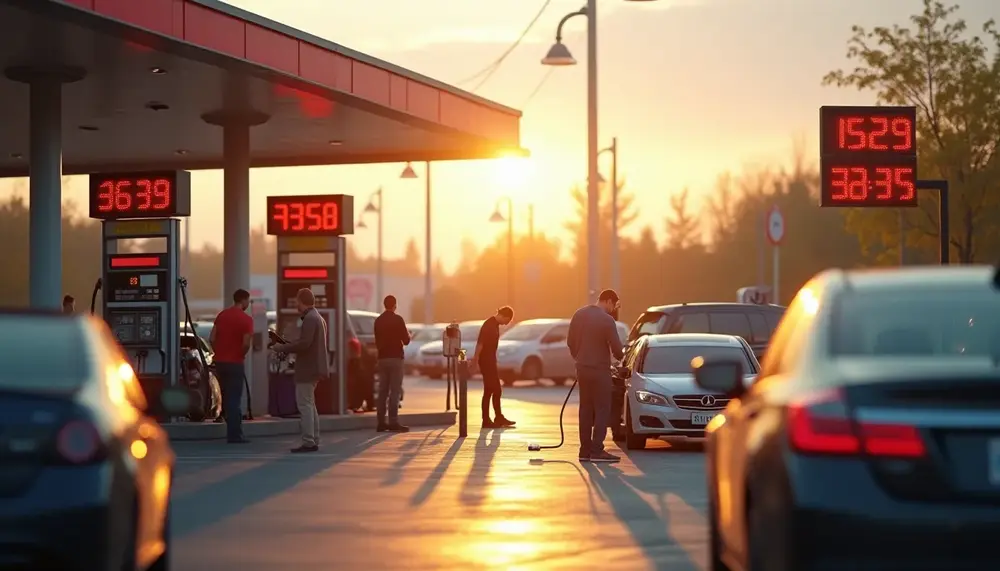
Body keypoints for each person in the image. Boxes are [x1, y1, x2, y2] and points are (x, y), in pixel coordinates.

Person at [567, 289, 625, 463]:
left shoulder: (579, 314)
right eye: (614, 305)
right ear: (608, 301)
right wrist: (622, 357)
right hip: (600, 371)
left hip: (582, 369)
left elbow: (570, 342)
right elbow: (617, 349)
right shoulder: (607, 320)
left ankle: (584, 451)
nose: (614, 308)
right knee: (602, 408)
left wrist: (580, 358)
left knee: (585, 408)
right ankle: (597, 450)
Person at [270, 288, 328, 453]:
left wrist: (282, 347)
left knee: (304, 405)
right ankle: (314, 438)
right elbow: (306, 342)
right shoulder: (318, 317)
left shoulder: (310, 318)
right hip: (315, 367)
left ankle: (308, 441)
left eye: (297, 301)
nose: (296, 304)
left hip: (307, 369)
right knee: (310, 404)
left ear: (301, 301)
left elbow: (304, 344)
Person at [210, 289, 253, 444]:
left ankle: (229, 427)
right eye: (248, 301)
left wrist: (219, 351)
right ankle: (235, 435)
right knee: (234, 398)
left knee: (226, 396)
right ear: (244, 300)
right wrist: (240, 354)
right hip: (235, 363)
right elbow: (246, 343)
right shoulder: (246, 319)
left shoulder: (222, 315)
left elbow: (212, 337)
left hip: (220, 362)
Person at [471, 306, 516, 429]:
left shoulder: (495, 325)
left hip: (491, 361)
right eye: (507, 321)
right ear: (503, 316)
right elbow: (480, 343)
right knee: (491, 390)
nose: (506, 324)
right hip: (485, 362)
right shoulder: (488, 325)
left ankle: (497, 417)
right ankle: (487, 420)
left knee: (494, 390)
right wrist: (475, 360)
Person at [373, 295, 410, 433]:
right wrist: (408, 336)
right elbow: (406, 340)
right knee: (394, 390)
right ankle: (393, 421)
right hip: (396, 358)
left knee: (382, 391)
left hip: (382, 358)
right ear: (395, 305)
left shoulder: (378, 321)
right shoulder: (398, 320)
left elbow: (376, 340)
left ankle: (381, 422)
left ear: (384, 305)